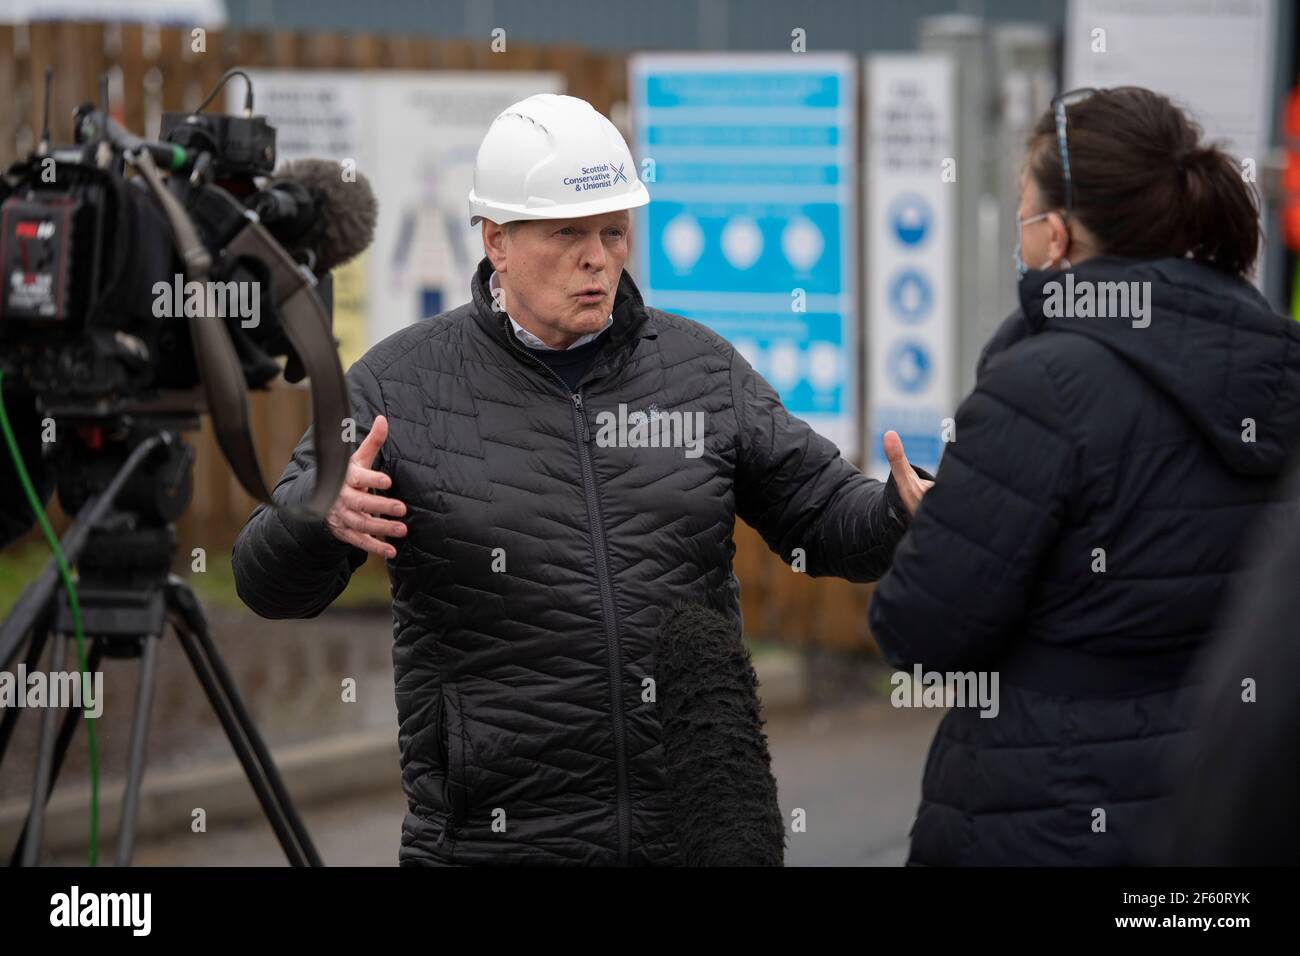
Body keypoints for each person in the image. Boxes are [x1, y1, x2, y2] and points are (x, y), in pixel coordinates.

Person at [232, 93, 932, 866]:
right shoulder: (398, 387)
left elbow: (823, 513)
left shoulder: (699, 369)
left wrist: (898, 510)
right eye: (568, 233)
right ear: (496, 239)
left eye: (613, 231)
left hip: (695, 838)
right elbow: (266, 586)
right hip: (493, 845)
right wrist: (314, 518)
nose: (597, 257)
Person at [869, 86, 1300, 866]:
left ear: (1059, 238)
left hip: (1046, 813)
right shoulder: (1277, 365)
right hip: (1226, 804)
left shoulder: (1041, 387)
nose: (1021, 235)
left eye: (1025, 211)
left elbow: (921, 634)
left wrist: (940, 524)